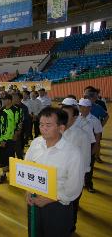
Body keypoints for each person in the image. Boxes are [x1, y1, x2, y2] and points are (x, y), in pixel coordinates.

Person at [25, 107, 84, 237]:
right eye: (41, 124)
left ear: (61, 128)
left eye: (48, 125)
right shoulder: (36, 143)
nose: (43, 128)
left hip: (57, 207)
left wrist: (49, 199)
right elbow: (27, 166)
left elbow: (73, 188)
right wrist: (28, 191)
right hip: (34, 201)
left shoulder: (73, 153)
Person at [60, 99, 91, 233]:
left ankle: (71, 227)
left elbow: (85, 159)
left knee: (72, 205)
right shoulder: (56, 131)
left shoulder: (81, 135)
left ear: (75, 117)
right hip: (58, 177)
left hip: (73, 178)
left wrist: (80, 179)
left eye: (66, 114)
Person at [78, 98, 102, 193]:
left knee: (89, 165)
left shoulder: (94, 120)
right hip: (77, 145)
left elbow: (98, 134)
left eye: (86, 107)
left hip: (89, 146)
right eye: (81, 107)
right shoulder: (75, 118)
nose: (83, 109)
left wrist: (95, 148)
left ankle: (88, 184)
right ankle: (78, 182)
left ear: (89, 108)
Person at [0, 94, 17, 183]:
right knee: (3, 157)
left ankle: (13, 175)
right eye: (3, 100)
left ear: (10, 100)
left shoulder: (15, 110)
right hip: (2, 139)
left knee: (11, 156)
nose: (4, 101)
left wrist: (16, 134)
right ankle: (4, 174)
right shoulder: (2, 110)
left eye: (5, 99)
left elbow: (18, 123)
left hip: (11, 139)